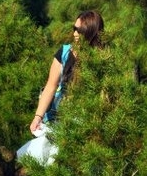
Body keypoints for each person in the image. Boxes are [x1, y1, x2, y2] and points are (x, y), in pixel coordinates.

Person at [17, 11, 104, 164]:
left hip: (82, 121)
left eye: (80, 30)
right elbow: (50, 87)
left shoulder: (101, 59)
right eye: (74, 28)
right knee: (48, 163)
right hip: (56, 118)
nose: (75, 33)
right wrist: (37, 117)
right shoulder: (64, 52)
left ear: (91, 32)